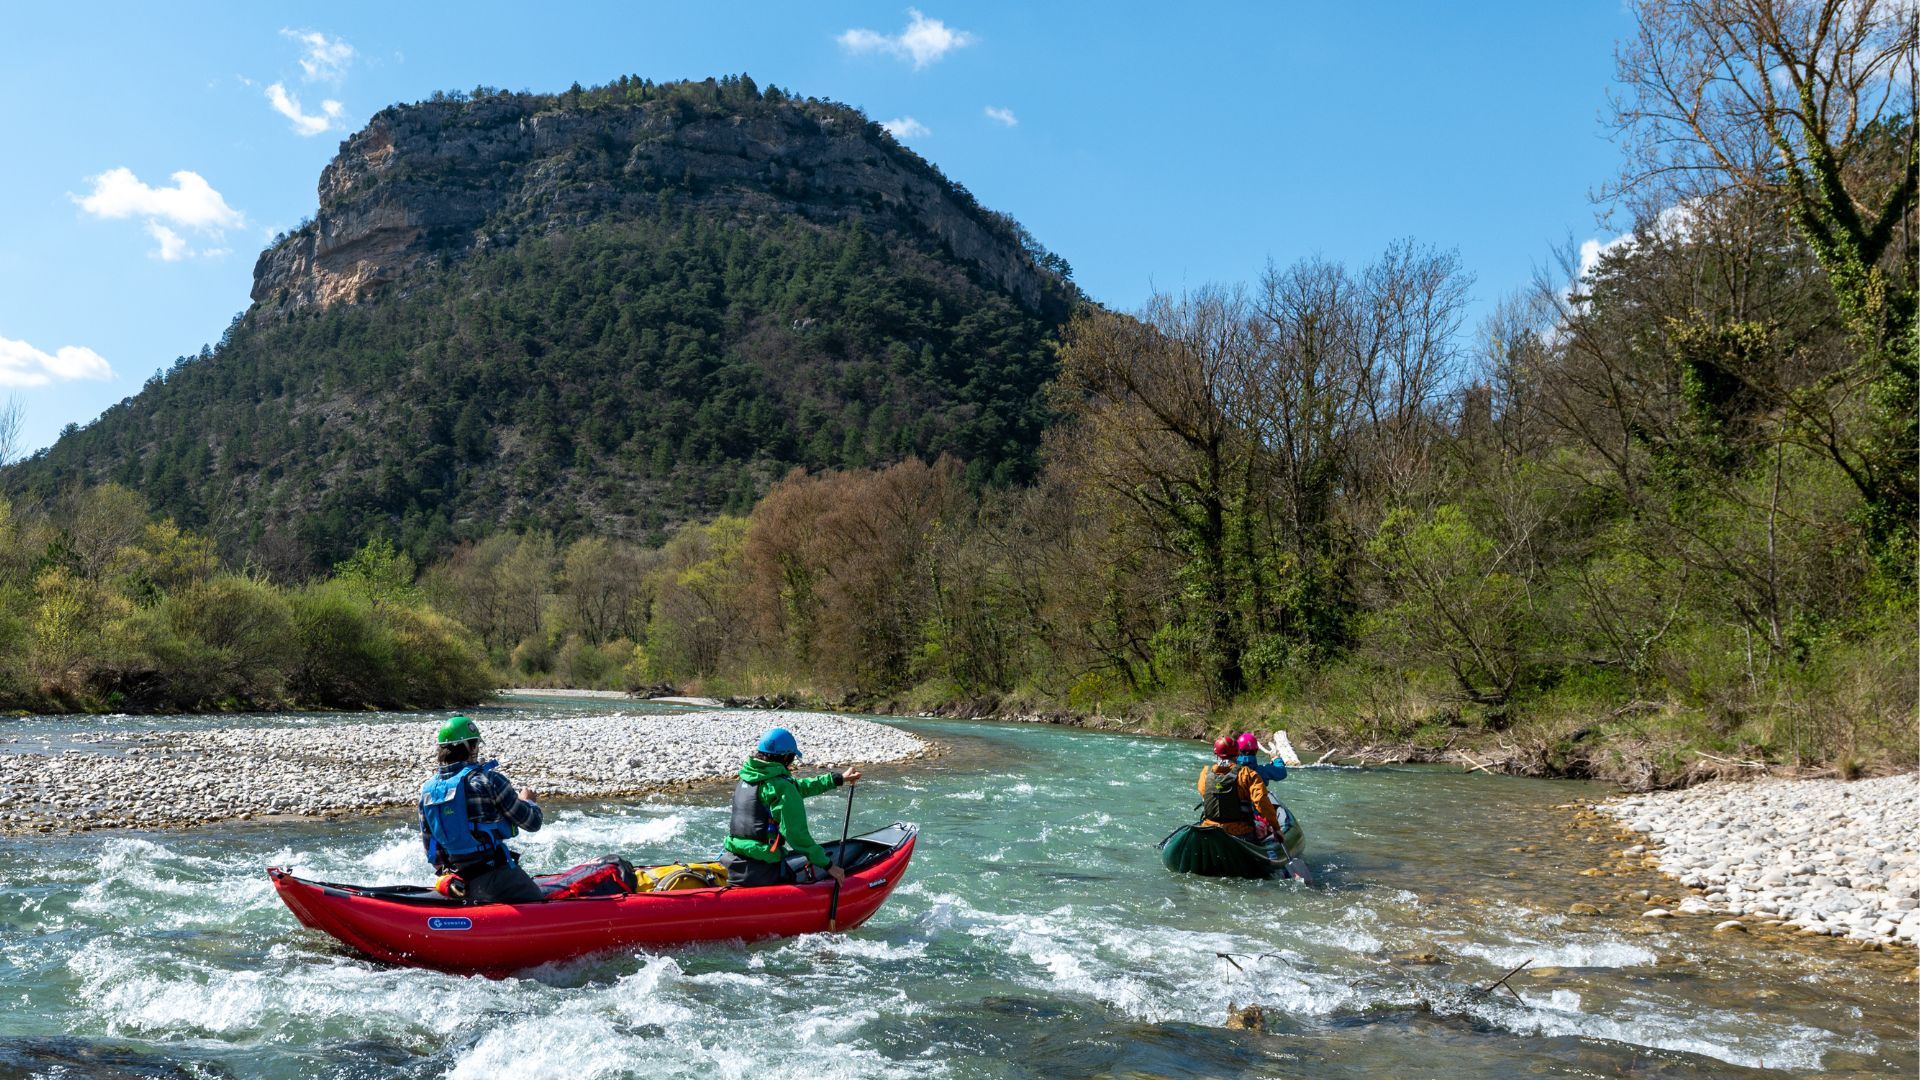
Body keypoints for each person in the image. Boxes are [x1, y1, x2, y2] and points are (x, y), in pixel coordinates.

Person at [418, 715, 546, 904]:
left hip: (456, 882)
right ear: (471, 747)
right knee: (539, 901)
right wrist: (529, 802)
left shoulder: (427, 791)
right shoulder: (488, 780)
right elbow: (532, 823)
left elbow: (432, 853)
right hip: (494, 876)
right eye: (476, 744)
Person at [722, 727, 860, 887]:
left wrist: (837, 779)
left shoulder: (749, 777)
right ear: (786, 756)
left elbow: (798, 787)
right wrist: (828, 865)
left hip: (732, 860)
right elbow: (796, 834)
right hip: (762, 869)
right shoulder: (780, 786)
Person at [1198, 745, 1278, 843]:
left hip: (1209, 829)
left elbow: (1204, 794)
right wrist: (1275, 828)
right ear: (1237, 754)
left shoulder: (1205, 773)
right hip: (1240, 833)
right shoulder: (1247, 774)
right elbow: (1261, 801)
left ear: (1216, 754)